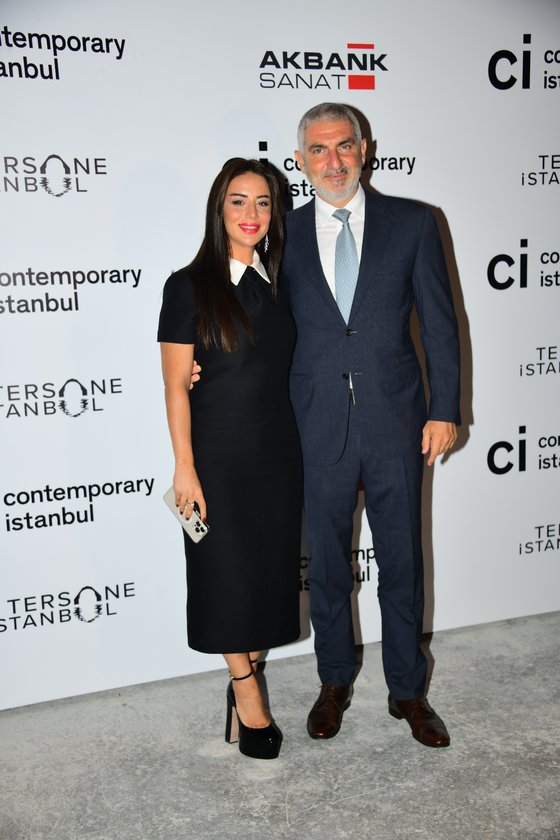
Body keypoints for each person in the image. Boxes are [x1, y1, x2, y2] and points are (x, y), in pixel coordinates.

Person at [282, 103, 461, 747]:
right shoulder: (281, 231)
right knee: (328, 564)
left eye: (344, 146)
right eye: (318, 150)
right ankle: (334, 680)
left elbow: (440, 323)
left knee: (402, 561)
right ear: (300, 160)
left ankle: (408, 690)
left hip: (397, 420)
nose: (333, 161)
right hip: (315, 422)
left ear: (365, 149)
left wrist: (445, 407)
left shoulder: (413, 222)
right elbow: (259, 324)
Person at [157, 158, 302, 760]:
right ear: (219, 209)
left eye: (263, 202)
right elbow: (174, 386)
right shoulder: (188, 286)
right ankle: (246, 689)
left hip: (280, 455)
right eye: (238, 201)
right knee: (225, 578)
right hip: (216, 458)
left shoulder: (282, 284)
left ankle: (249, 668)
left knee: (266, 579)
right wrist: (184, 467)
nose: (251, 214)